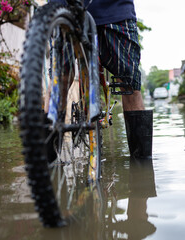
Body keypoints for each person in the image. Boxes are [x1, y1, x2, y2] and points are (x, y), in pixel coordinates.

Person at [49, 0, 153, 160]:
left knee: (130, 83)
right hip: (64, 9)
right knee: (60, 79)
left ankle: (142, 166)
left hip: (114, 10)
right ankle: (47, 162)